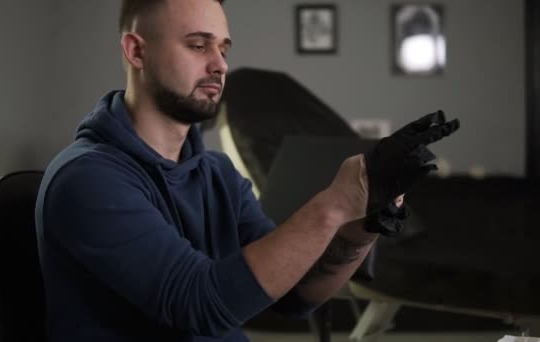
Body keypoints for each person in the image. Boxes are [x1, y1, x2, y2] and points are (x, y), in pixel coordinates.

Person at [34, 0, 459, 341]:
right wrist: (334, 204)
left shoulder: (216, 173)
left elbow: (295, 294)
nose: (219, 65)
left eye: (223, 48)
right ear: (136, 50)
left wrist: (364, 221)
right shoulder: (87, 178)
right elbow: (200, 306)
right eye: (198, 46)